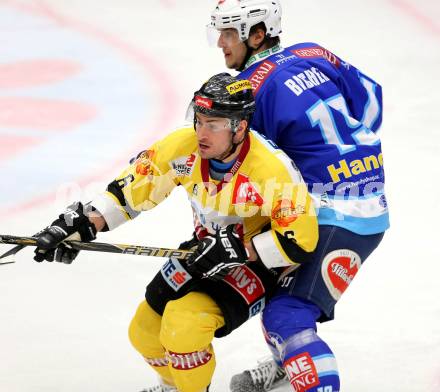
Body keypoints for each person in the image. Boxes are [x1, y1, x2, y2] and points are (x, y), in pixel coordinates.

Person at [32, 73, 319, 392]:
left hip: (253, 263)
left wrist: (241, 248)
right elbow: (130, 192)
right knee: (144, 333)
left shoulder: (271, 169)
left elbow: (301, 240)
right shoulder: (182, 149)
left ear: (239, 127)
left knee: (183, 326)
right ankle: (176, 386)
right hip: (203, 248)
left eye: (213, 124)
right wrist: (83, 225)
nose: (201, 132)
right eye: (199, 120)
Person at [206, 1, 390, 391]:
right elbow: (371, 102)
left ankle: (295, 352)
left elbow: (255, 175)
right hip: (363, 194)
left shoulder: (247, 93)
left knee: (286, 314)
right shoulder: (312, 52)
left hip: (335, 215)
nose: (221, 43)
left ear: (257, 34)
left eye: (229, 33)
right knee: (277, 282)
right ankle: (288, 359)